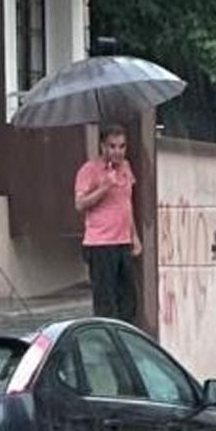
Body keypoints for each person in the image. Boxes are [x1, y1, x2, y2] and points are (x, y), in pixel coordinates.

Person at [74, 124, 142, 324]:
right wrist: (104, 187)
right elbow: (80, 204)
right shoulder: (89, 170)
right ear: (103, 146)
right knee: (106, 304)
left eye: (122, 146)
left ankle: (123, 343)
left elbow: (126, 204)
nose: (117, 152)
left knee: (129, 300)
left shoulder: (126, 168)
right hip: (100, 244)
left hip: (123, 241)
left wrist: (134, 236)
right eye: (112, 147)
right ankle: (107, 348)